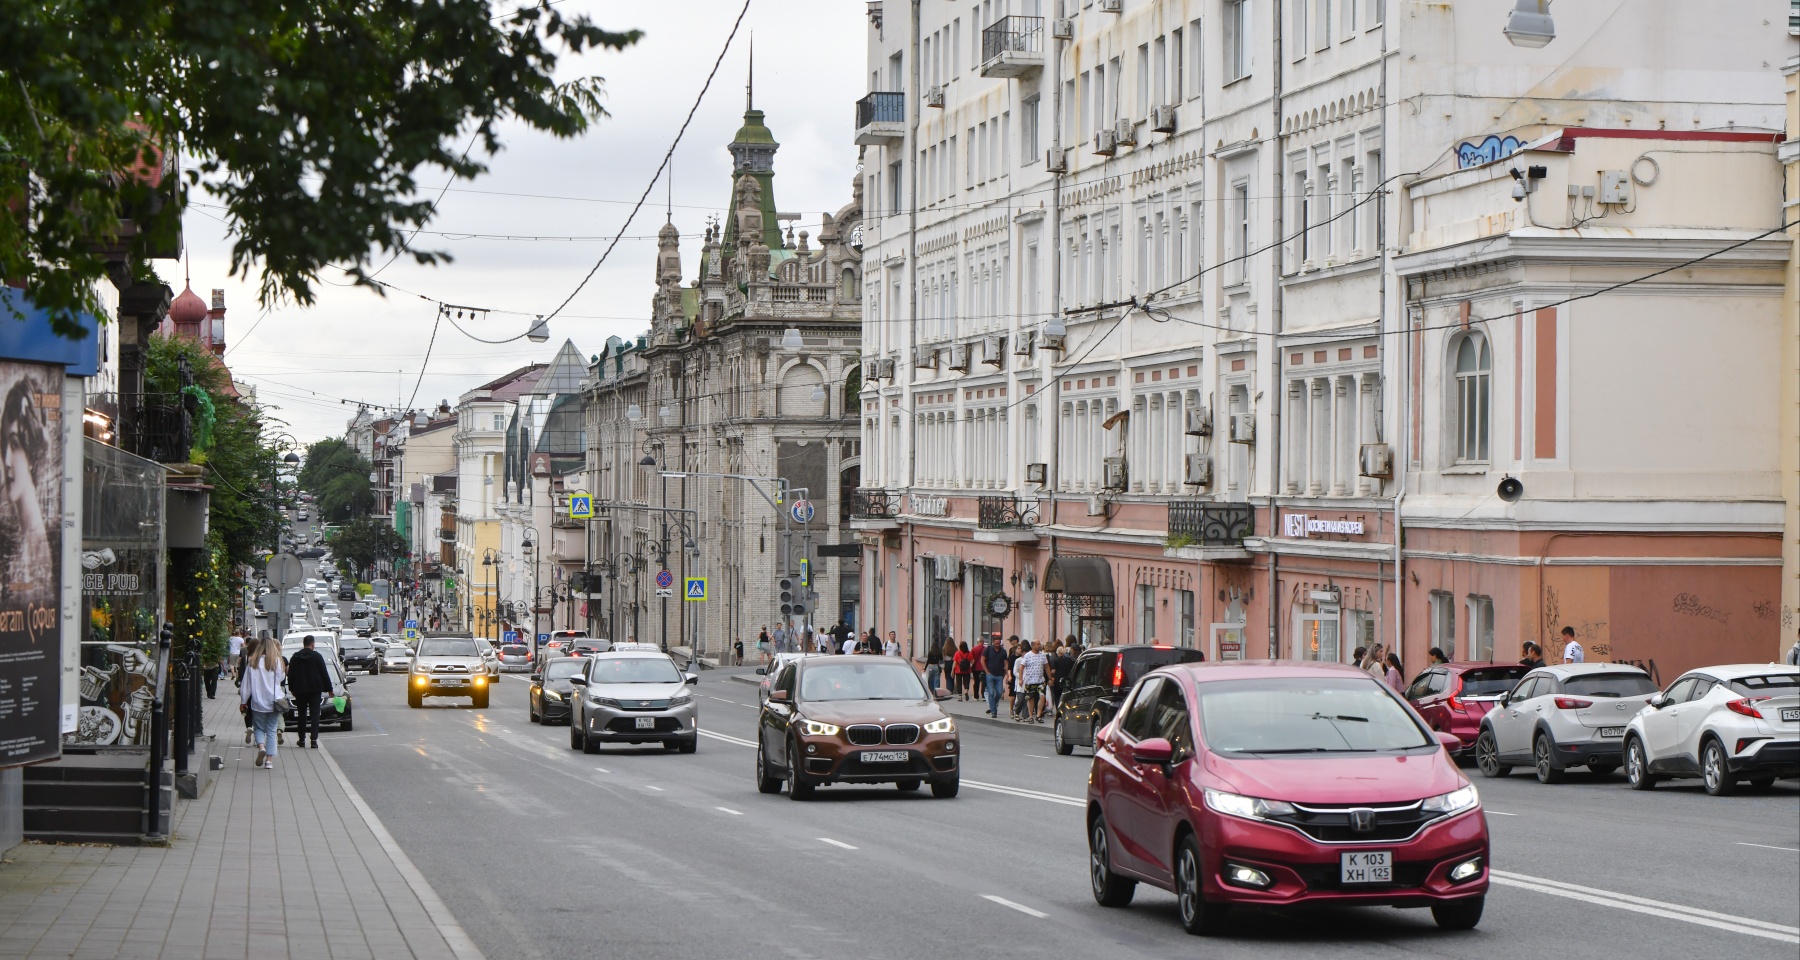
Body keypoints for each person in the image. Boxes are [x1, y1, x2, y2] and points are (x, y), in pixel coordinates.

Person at [239, 638, 286, 769]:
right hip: (274, 701)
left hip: (258, 702)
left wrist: (243, 701)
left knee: (258, 728)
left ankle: (261, 747)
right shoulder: (277, 661)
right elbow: (281, 678)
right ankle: (269, 761)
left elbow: (246, 685)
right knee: (271, 730)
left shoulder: (252, 662)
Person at [287, 635, 334, 749]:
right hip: (315, 690)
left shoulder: (295, 657)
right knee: (314, 714)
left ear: (304, 644)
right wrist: (329, 689)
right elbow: (324, 673)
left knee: (301, 714)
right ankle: (314, 740)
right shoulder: (317, 656)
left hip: (300, 690)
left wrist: (292, 688)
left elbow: (291, 674)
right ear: (312, 644)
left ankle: (301, 739)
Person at [1018, 640, 1050, 723]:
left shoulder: (1043, 655)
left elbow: (1046, 667)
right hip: (1030, 681)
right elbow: (1021, 668)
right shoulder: (1028, 655)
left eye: (1040, 643)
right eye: (1038, 644)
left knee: (1042, 696)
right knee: (1030, 698)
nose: (1040, 645)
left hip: (1040, 680)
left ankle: (1039, 715)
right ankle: (1031, 716)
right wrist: (1021, 679)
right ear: (1033, 646)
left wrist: (1050, 678)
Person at [981, 634, 1008, 718]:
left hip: (999, 675)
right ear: (993, 642)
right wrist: (986, 671)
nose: (997, 645)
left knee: (999, 692)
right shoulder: (988, 649)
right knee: (991, 693)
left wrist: (1007, 674)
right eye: (996, 643)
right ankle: (993, 711)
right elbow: (982, 660)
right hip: (990, 674)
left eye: (998, 643)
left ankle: (993, 705)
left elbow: (1006, 663)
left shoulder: (1003, 651)